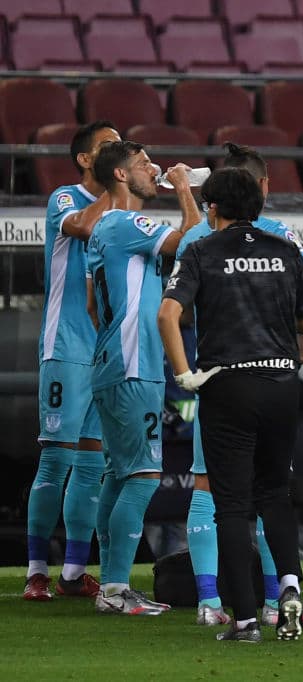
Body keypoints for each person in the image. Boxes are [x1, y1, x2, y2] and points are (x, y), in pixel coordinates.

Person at [159, 168, 303, 643]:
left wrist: (184, 372)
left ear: (212, 209)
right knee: (274, 494)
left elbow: (168, 315)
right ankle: (289, 588)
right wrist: (291, 358)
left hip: (227, 384)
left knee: (229, 505)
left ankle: (245, 620)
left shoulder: (201, 250)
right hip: (280, 384)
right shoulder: (286, 251)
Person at [86, 141, 201, 615]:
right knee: (144, 476)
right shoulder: (124, 222)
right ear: (118, 175)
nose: (152, 169)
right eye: (142, 165)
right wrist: (182, 188)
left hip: (113, 363)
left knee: (117, 474)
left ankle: (112, 587)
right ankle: (114, 589)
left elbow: (95, 305)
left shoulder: (102, 232)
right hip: (135, 367)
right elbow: (193, 239)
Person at [25, 120, 120, 602]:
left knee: (90, 466)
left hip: (105, 350)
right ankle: (37, 570)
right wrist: (116, 186)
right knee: (56, 458)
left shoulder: (122, 210)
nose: (118, 153)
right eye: (109, 148)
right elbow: (82, 228)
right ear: (86, 159)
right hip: (66, 346)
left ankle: (73, 572)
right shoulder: (66, 198)